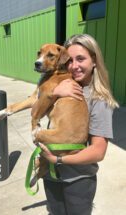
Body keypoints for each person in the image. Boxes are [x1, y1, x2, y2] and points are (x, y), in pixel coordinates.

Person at [37, 34, 119, 215]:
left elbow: (98, 151)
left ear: (94, 60)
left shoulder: (99, 100)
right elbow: (38, 110)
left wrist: (58, 160)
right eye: (69, 60)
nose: (74, 66)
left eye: (80, 59)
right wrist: (54, 92)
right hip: (50, 173)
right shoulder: (62, 85)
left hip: (77, 180)